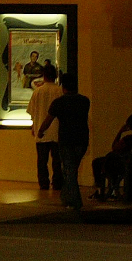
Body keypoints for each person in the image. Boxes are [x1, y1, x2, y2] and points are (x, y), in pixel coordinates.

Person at [36, 72, 89, 210]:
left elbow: (48, 120)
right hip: (82, 139)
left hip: (66, 140)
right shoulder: (85, 101)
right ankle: (66, 198)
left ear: (63, 86)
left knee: (69, 170)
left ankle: (74, 201)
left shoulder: (59, 103)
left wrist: (41, 131)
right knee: (72, 169)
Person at [91, 112, 132, 201]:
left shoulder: (129, 139)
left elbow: (114, 147)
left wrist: (120, 132)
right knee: (113, 161)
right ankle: (113, 191)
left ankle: (101, 190)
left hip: (126, 164)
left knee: (98, 162)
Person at [27, 63, 64, 191]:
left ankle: (44, 183)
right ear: (55, 76)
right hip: (57, 131)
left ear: (44, 76)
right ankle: (57, 183)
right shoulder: (59, 91)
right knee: (57, 160)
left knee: (42, 161)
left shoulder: (37, 91)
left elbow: (32, 111)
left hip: (40, 130)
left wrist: (34, 127)